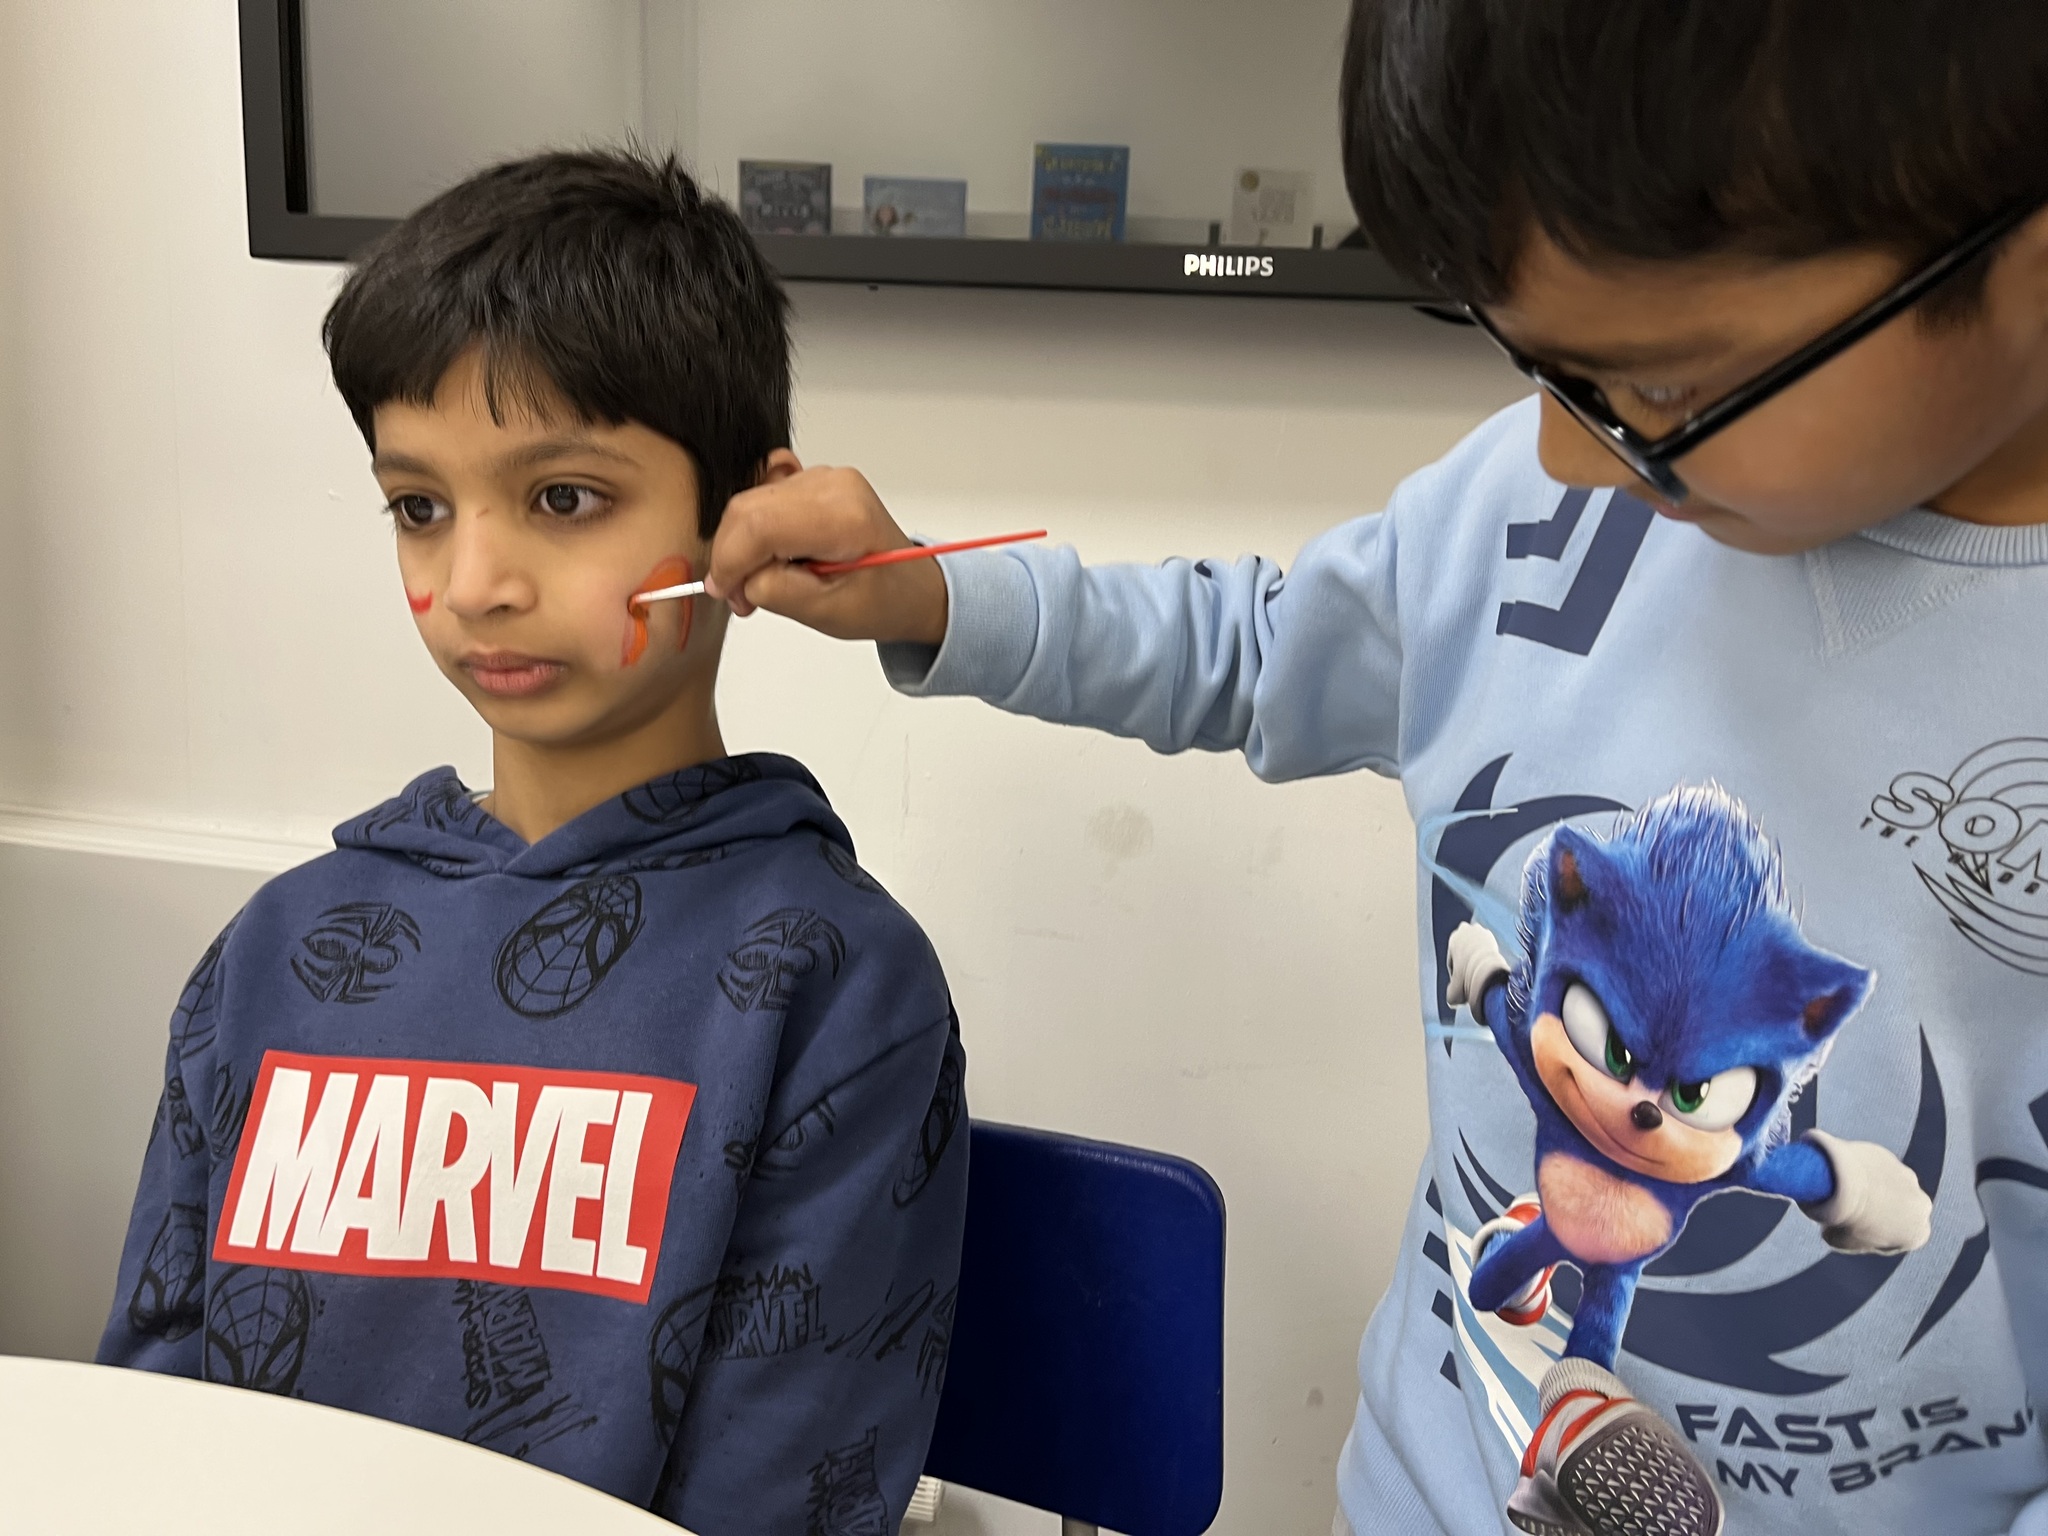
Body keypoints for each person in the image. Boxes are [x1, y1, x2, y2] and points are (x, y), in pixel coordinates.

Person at [699, 5, 2048, 1535]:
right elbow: (1256, 646)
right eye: (1539, 366)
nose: (1567, 456)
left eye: (1665, 385)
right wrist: (932, 594)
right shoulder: (1519, 510)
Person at [97, 149, 968, 1536]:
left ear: (747, 522)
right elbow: (153, 1423)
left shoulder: (834, 982)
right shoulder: (277, 948)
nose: (475, 585)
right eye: (419, 508)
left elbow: (779, 1494)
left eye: (564, 499)